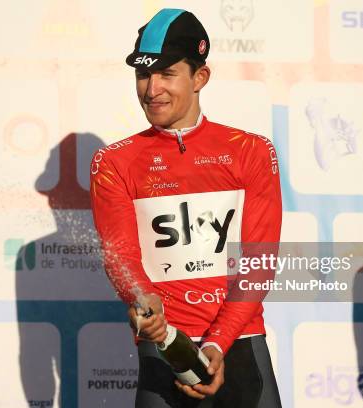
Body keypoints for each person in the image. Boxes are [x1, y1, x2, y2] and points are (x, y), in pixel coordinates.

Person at [90, 8, 283, 407]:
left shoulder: (250, 151)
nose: (151, 89)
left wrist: (218, 340)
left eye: (166, 74)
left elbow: (258, 262)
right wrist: (143, 300)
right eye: (143, 75)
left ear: (200, 77)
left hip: (240, 342)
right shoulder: (114, 162)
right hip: (164, 347)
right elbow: (120, 256)